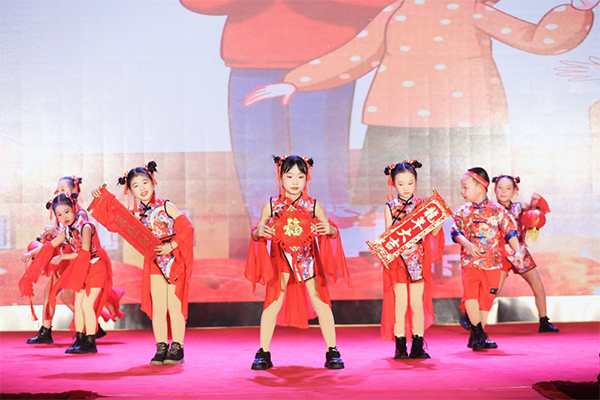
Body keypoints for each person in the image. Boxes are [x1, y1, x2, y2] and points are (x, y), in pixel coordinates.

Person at [245, 155, 350, 370]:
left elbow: (331, 230)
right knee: (273, 302)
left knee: (320, 302)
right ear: (280, 178)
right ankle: (263, 352)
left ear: (306, 178)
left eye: (300, 177)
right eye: (289, 176)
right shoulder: (272, 205)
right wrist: (259, 232)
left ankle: (332, 350)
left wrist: (330, 229)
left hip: (307, 260)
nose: (295, 182)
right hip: (280, 261)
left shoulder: (313, 206)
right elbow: (257, 231)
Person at [92, 162, 194, 365]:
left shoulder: (166, 206)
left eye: (145, 182)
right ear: (130, 191)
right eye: (136, 186)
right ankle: (161, 346)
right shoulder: (135, 216)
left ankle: (178, 347)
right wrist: (100, 199)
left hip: (173, 260)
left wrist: (171, 246)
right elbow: (113, 220)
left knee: (174, 307)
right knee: (159, 307)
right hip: (154, 262)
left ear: (153, 182)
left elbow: (187, 228)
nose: (142, 188)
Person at [23, 193, 113, 354]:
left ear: (74, 209)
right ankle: (80, 338)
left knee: (86, 305)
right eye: (59, 214)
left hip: (96, 267)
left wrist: (63, 257)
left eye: (66, 212)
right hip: (82, 268)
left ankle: (90, 342)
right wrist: (31, 253)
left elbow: (85, 252)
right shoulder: (67, 230)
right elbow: (51, 245)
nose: (64, 217)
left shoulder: (85, 227)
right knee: (78, 304)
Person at [451, 168, 523, 351]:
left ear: (480, 188)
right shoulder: (463, 211)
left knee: (486, 300)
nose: (462, 191)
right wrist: (467, 244)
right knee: (471, 295)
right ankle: (478, 333)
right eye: (462, 187)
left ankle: (477, 336)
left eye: (465, 187)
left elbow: (510, 232)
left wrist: (518, 251)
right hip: (470, 262)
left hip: (493, 264)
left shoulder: (497, 210)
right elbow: (455, 232)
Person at [380, 160, 444, 359]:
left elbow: (434, 232)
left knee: (417, 304)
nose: (406, 188)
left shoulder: (422, 204)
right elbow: (388, 235)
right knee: (400, 304)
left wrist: (440, 215)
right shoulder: (390, 207)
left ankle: (418, 345)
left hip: (417, 259)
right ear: (393, 184)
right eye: (401, 184)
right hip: (398, 261)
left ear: (415, 182)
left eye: (410, 183)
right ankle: (400, 346)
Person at [492, 174, 559, 333]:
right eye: (500, 188)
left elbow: (538, 211)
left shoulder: (520, 207)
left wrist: (535, 203)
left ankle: (544, 321)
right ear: (495, 189)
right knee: (493, 290)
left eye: (508, 188)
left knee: (537, 285)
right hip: (500, 253)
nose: (503, 191)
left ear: (515, 191)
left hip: (519, 252)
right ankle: (474, 321)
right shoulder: (491, 209)